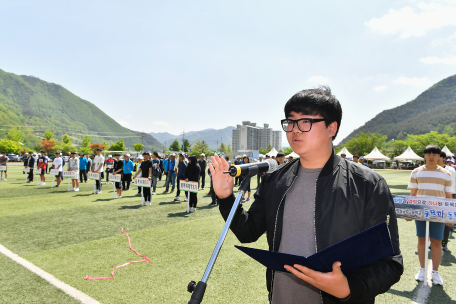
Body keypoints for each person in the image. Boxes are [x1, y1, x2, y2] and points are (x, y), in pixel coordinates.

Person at [209, 86, 402, 303]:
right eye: (290, 122)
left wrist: (349, 287)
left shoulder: (368, 184)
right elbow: (248, 232)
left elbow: (391, 262)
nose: (295, 130)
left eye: (306, 122)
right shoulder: (274, 180)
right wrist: (226, 198)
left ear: (332, 128)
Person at [406, 145, 452, 285]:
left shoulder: (446, 174)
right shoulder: (416, 172)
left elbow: (448, 196)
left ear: (439, 156)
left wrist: (449, 216)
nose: (431, 156)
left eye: (434, 154)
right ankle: (422, 269)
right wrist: (410, 211)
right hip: (421, 211)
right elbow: (413, 194)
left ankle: (435, 272)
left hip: (438, 212)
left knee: (437, 241)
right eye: (429, 154)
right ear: (425, 155)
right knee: (422, 240)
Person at [441, 154, 456, 252]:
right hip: (435, 198)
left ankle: (444, 243)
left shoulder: (450, 170)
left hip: (448, 196)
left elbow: (452, 186)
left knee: (446, 220)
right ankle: (432, 241)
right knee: (434, 219)